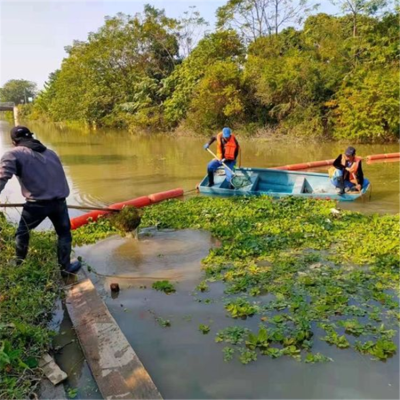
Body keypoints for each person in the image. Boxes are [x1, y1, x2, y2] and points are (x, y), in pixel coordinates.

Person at [0, 126, 81, 276]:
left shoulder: (13, 154)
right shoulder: (51, 153)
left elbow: (2, 178)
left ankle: (19, 265)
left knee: (22, 232)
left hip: (37, 204)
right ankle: (65, 268)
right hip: (59, 202)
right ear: (31, 136)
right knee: (64, 233)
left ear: (13, 142)